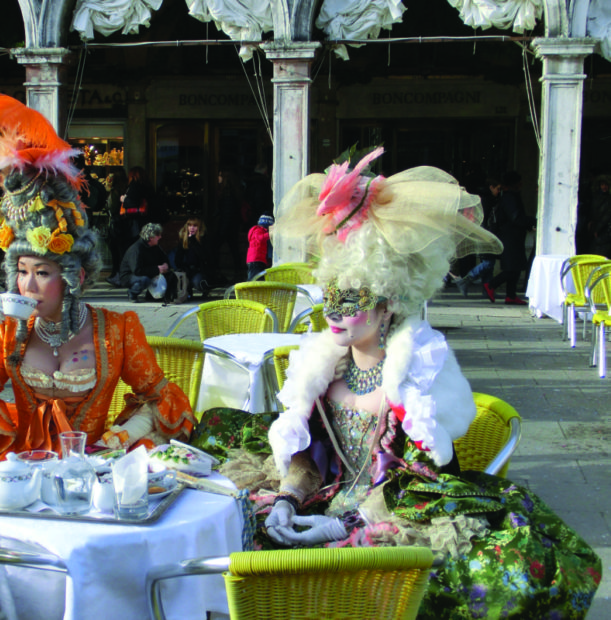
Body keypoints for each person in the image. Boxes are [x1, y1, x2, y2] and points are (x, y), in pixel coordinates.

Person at [196, 147, 601, 618]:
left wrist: (346, 525)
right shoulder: (324, 367)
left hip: (396, 517)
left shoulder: (419, 372)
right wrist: (288, 498)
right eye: (330, 295)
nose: (333, 312)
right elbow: (311, 457)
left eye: (352, 299)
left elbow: (420, 479)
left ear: (388, 303)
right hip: (321, 503)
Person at [0, 84, 195, 537]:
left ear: (75, 277)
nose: (27, 285)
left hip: (91, 476)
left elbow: (157, 396)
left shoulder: (117, 329)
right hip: (20, 468)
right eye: (22, 271)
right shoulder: (8, 333)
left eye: (42, 272)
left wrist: (122, 438)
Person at [483, 171, 535, 305]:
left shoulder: (507, 196)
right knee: (512, 268)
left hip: (512, 236)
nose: (521, 184)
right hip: (510, 237)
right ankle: (491, 285)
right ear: (514, 183)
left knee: (515, 267)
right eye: (519, 182)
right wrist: (532, 221)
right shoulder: (510, 197)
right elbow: (515, 217)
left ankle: (511, 295)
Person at [453, 178, 501, 297]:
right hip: (485, 233)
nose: (499, 191)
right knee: (489, 262)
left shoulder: (484, 199)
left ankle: (487, 289)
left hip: (482, 232)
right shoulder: (487, 200)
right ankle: (466, 280)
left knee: (487, 262)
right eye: (498, 188)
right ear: (491, 187)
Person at [117, 222, 174, 303]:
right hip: (130, 276)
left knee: (169, 274)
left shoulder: (155, 246)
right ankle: (132, 293)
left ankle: (152, 295)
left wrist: (165, 264)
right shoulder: (136, 249)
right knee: (144, 280)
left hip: (146, 270)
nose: (160, 237)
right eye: (158, 235)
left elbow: (163, 257)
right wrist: (157, 269)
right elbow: (137, 270)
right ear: (151, 237)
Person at [174, 217, 211, 298]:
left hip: (200, 270)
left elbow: (204, 257)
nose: (192, 228)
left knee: (197, 282)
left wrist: (194, 241)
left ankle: (205, 290)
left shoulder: (204, 239)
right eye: (190, 225)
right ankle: (188, 292)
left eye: (195, 226)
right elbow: (178, 259)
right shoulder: (184, 239)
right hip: (187, 269)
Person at [105, 168, 129, 285]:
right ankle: (120, 274)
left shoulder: (115, 192)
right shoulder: (125, 190)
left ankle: (117, 274)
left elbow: (113, 208)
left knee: (115, 251)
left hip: (116, 223)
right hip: (123, 223)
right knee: (121, 250)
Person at [246, 214, 273, 281]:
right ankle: (249, 290)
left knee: (257, 277)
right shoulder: (258, 230)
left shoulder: (259, 230)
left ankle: (251, 289)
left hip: (257, 259)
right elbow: (260, 238)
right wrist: (270, 234)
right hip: (256, 259)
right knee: (254, 278)